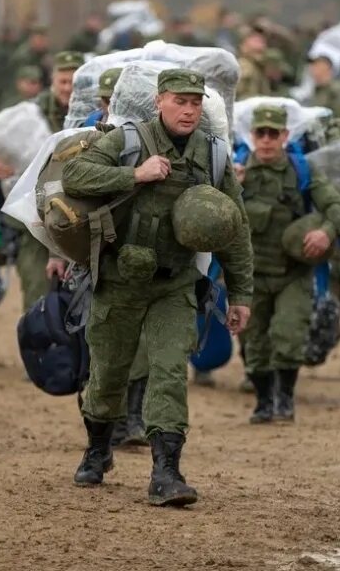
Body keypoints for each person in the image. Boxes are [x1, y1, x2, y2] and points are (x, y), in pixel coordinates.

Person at [61, 69, 254, 506]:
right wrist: (135, 176)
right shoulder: (128, 141)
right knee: (109, 371)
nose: (189, 110)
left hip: (175, 284)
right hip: (119, 280)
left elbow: (235, 229)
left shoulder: (213, 155)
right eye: (180, 101)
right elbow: (75, 175)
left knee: (169, 371)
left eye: (196, 102)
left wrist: (240, 293)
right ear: (160, 101)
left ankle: (166, 472)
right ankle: (97, 449)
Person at [237, 104, 340, 423]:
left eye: (274, 134)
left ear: (285, 136)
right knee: (254, 342)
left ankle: (284, 398)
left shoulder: (303, 172)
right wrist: (229, 187)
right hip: (250, 276)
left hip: (292, 274)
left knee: (289, 336)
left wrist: (325, 233)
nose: (268, 140)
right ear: (252, 136)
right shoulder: (235, 172)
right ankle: (263, 401)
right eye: (262, 133)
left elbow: (339, 208)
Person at [35, 51, 82, 133]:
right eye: (63, 82)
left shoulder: (94, 108)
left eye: (73, 82)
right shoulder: (40, 107)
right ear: (53, 81)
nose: (67, 88)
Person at [236, 29, 271, 100]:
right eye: (256, 41)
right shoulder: (244, 66)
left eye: (263, 42)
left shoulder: (258, 67)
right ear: (243, 45)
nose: (261, 45)